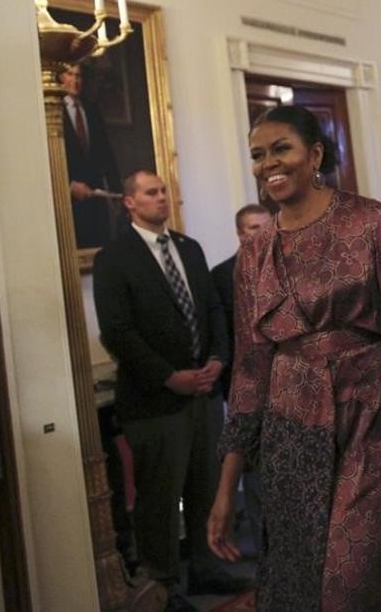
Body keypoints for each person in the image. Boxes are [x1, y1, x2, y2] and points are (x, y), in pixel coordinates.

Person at [206, 105, 381, 611]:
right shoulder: (255, 253)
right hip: (291, 435)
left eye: (281, 148)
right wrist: (227, 486)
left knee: (355, 587)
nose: (268, 164)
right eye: (258, 155)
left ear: (316, 154)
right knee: (298, 589)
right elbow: (249, 371)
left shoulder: (374, 222)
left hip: (370, 424)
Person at [93, 171, 248, 611]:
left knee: (205, 486)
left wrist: (219, 357)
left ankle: (207, 564)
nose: (161, 198)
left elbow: (214, 307)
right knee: (161, 496)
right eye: (151, 193)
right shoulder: (114, 258)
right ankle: (162, 583)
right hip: (155, 400)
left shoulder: (189, 248)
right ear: (129, 202)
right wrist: (168, 376)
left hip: (204, 392)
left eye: (164, 191)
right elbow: (118, 332)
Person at [210, 203, 271, 554]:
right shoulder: (221, 276)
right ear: (239, 233)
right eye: (251, 228)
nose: (258, 234)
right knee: (254, 471)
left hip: (292, 388)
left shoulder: (290, 263)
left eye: (264, 227)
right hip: (244, 388)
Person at [59, 63, 122, 248]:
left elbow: (106, 153)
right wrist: (68, 185)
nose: (75, 81)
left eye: (79, 76)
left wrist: (115, 189)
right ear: (61, 78)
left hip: (95, 194)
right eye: (70, 75)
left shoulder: (92, 109)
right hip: (68, 199)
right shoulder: (52, 109)